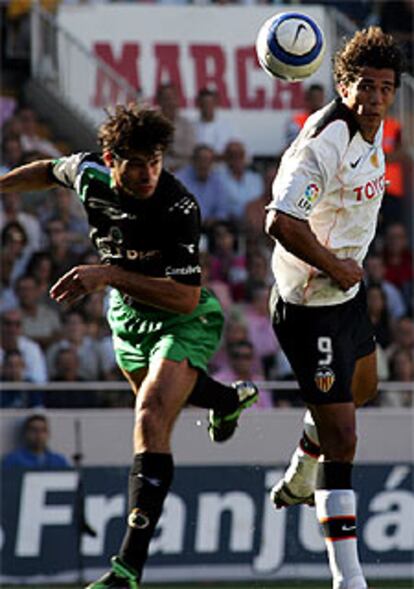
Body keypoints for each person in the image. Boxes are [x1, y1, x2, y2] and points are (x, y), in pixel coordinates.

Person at [0, 103, 258, 588]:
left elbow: (183, 298)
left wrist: (110, 275)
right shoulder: (91, 176)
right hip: (129, 318)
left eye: (155, 160)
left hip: (183, 317)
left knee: (151, 414)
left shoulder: (178, 206)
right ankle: (226, 398)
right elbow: (48, 171)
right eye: (136, 162)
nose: (147, 173)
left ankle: (127, 569)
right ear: (110, 158)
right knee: (161, 403)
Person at [264, 27, 405, 589]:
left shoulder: (376, 133)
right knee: (343, 438)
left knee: (363, 388)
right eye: (364, 87)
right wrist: (332, 261)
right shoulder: (322, 145)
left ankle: (301, 470)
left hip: (345, 293)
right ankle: (348, 579)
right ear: (343, 86)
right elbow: (279, 220)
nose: (374, 98)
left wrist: (346, 269)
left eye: (384, 88)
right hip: (307, 305)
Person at [2, 412, 70, 468]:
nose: (39, 435)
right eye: (34, 430)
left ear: (48, 434)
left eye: (43, 430)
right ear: (26, 433)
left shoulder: (59, 461)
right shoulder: (13, 460)